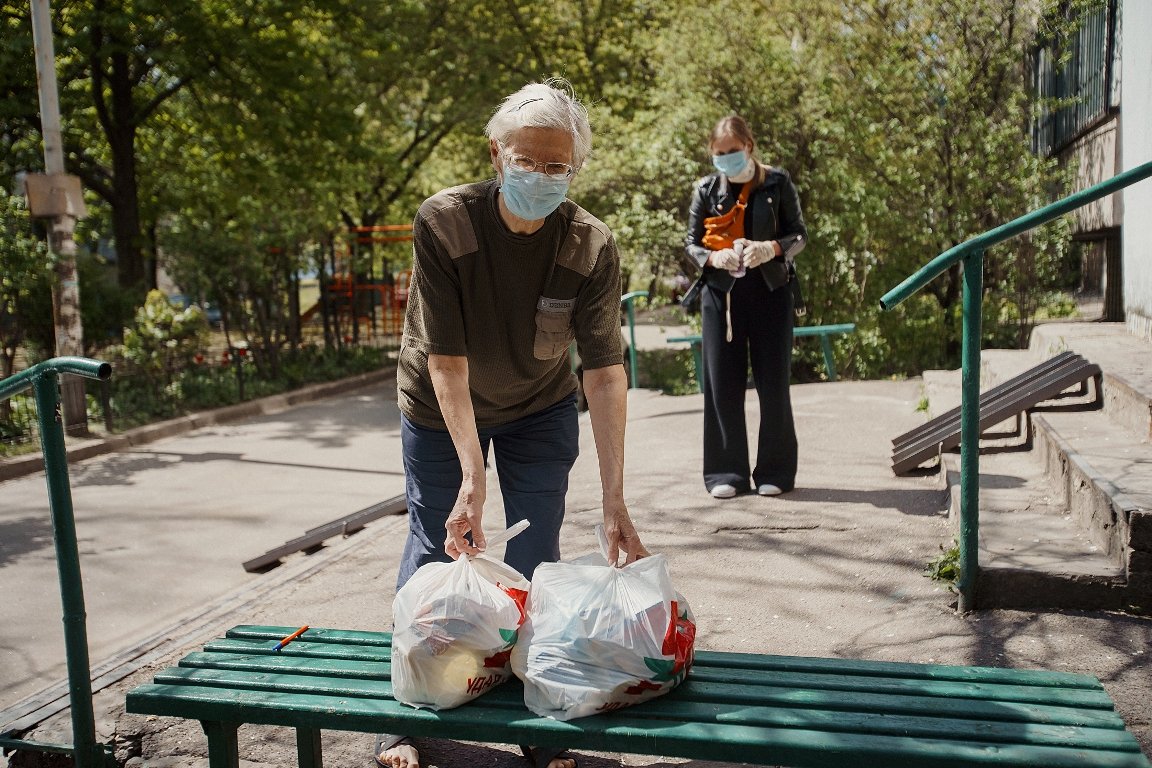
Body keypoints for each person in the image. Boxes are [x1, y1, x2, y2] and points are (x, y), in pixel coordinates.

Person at [376, 78, 649, 768]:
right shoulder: (445, 222)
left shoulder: (589, 245)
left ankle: (539, 721)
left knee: (536, 559)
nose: (539, 175)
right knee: (438, 541)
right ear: (496, 155)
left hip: (538, 407)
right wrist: (473, 476)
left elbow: (605, 373)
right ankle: (408, 712)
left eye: (556, 166)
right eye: (525, 160)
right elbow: (446, 363)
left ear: (575, 169)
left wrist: (615, 499)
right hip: (441, 406)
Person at [683, 114, 809, 499]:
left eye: (732, 151)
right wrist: (711, 259)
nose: (725, 158)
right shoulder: (706, 189)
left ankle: (775, 471)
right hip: (720, 299)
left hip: (771, 293)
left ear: (749, 146)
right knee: (722, 387)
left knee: (774, 385)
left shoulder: (777, 181)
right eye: (718, 153)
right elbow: (690, 243)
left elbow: (799, 235)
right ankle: (726, 473)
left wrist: (768, 248)